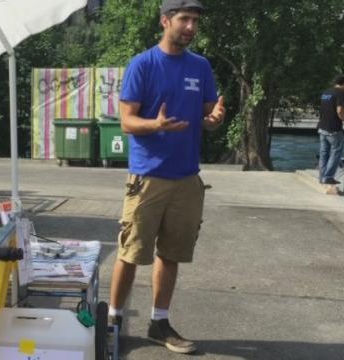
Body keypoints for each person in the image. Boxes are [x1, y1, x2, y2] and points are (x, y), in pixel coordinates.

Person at [109, 0, 225, 354]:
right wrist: (155, 124)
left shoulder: (200, 66)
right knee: (131, 253)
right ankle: (113, 320)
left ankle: (159, 323)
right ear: (165, 21)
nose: (191, 26)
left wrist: (214, 117)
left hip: (187, 178)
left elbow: (206, 113)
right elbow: (127, 122)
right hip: (148, 177)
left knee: (171, 253)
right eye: (184, 19)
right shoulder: (142, 64)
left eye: (195, 21)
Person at [317, 75, 344, 185]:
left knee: (324, 153)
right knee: (336, 153)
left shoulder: (326, 92)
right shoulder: (340, 93)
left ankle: (322, 177)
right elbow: (339, 111)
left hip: (322, 127)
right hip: (333, 128)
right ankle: (328, 177)